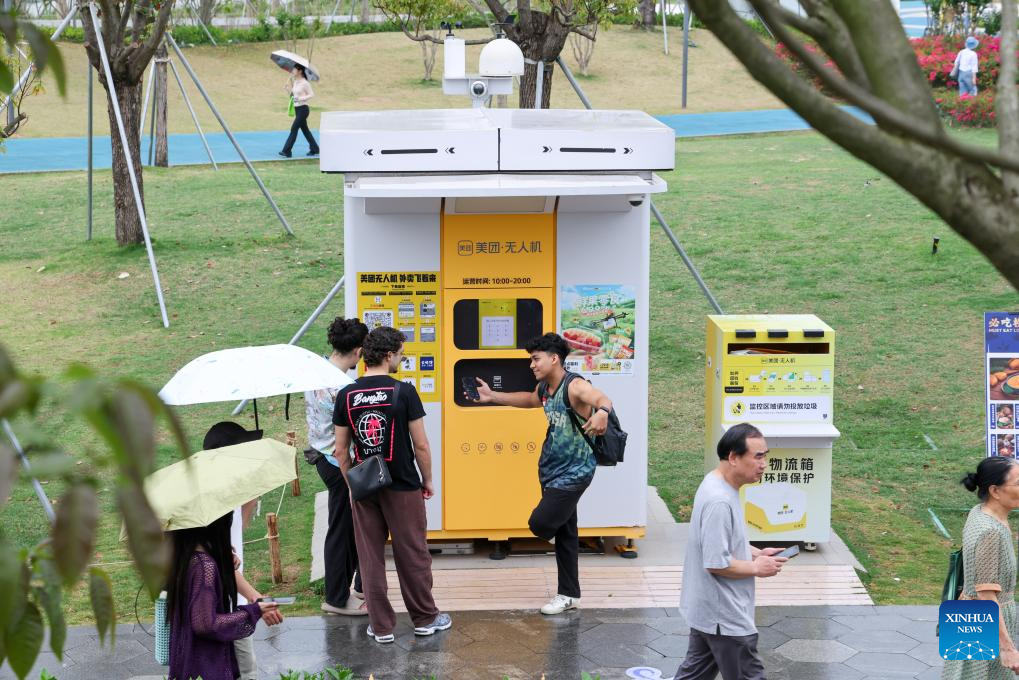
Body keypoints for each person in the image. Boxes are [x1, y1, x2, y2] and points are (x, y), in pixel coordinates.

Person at [470, 332, 613, 615]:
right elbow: (529, 399)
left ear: (554, 358)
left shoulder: (575, 386)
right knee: (566, 534)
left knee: (541, 523)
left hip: (575, 472)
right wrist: (492, 396)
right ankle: (569, 594)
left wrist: (603, 412)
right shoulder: (545, 388)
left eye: (536, 359)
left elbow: (599, 397)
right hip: (551, 470)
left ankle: (568, 591)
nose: (532, 365)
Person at [333, 325, 451, 643]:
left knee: (370, 558)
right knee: (412, 553)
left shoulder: (346, 395)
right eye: (401, 354)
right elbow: (421, 445)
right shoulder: (404, 392)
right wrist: (427, 480)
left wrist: (351, 484)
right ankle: (425, 619)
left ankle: (381, 626)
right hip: (403, 486)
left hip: (365, 488)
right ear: (388, 355)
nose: (401, 360)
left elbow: (340, 450)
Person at [673, 423, 788, 680]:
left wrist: (755, 554)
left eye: (765, 456)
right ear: (734, 457)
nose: (764, 464)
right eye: (758, 456)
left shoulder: (715, 482)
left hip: (707, 611)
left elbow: (717, 541)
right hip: (725, 617)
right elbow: (716, 562)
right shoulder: (720, 501)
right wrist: (756, 568)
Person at [202, 421, 284, 680]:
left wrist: (251, 496)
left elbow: (238, 532)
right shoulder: (214, 500)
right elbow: (219, 562)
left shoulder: (230, 492)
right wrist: (256, 599)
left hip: (230, 602)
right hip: (220, 606)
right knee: (245, 671)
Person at [305, 317, 369, 616]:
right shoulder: (344, 388)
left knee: (344, 526)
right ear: (358, 351)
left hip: (321, 455)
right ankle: (336, 597)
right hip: (339, 461)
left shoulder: (316, 370)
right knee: (342, 530)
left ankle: (346, 590)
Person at [166, 511, 280, 680]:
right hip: (206, 665)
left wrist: (221, 558)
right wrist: (254, 610)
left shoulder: (184, 557)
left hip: (189, 661)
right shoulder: (204, 566)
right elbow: (205, 624)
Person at [943, 456, 1019, 679]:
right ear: (995, 491)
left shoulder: (979, 512)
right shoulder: (990, 532)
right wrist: (1007, 647)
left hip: (968, 612)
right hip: (985, 621)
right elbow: (985, 594)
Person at [279, 63, 319, 158]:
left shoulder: (305, 83)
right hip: (297, 109)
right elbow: (293, 97)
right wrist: (287, 89)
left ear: (300, 71)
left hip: (303, 109)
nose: (292, 71)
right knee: (305, 130)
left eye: (294, 69)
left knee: (294, 128)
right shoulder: (296, 82)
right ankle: (315, 149)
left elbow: (311, 94)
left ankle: (287, 151)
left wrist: (300, 98)